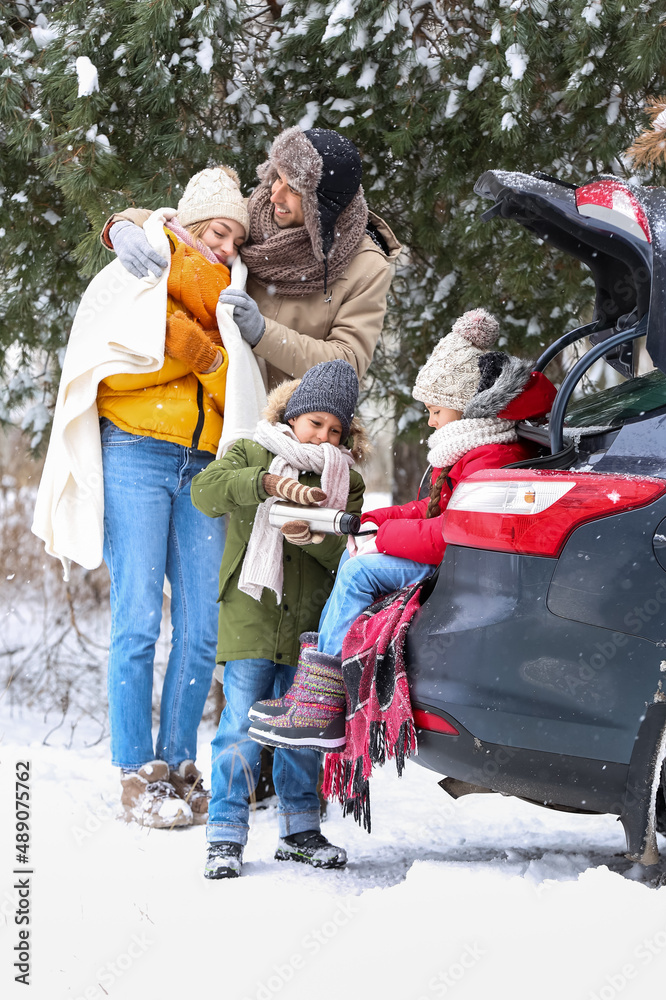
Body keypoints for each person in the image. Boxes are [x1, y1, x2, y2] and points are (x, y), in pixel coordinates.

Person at [34, 165, 257, 829]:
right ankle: (136, 772)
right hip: (135, 448)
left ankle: (176, 765)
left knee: (201, 628)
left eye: (236, 238)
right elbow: (117, 355)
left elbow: (233, 386)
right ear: (189, 222)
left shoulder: (233, 292)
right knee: (135, 617)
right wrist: (181, 345)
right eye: (218, 231)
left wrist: (212, 357)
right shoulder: (145, 262)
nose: (226, 247)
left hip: (202, 464)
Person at [246, 308, 557, 752]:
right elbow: (432, 511)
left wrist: (382, 539)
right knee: (359, 564)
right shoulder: (475, 449)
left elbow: (451, 531)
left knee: (358, 572)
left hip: (465, 569)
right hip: (455, 559)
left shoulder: (490, 457)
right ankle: (314, 694)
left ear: (466, 406)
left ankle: (323, 704)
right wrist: (379, 520)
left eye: (435, 410)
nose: (430, 421)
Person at [190, 360, 367, 878]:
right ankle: (225, 834)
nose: (325, 436)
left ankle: (299, 830)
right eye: (316, 423)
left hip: (311, 622)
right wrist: (264, 482)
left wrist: (314, 540)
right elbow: (206, 493)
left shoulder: (345, 479)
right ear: (291, 415)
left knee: (303, 727)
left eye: (336, 430)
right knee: (241, 725)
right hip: (251, 614)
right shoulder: (252, 448)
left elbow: (346, 557)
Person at [100, 127, 401, 388]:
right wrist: (125, 225)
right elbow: (185, 225)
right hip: (219, 408)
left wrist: (263, 333)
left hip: (289, 429)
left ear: (323, 206)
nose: (274, 195)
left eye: (293, 189)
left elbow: (346, 364)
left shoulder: (365, 265)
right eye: (278, 178)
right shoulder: (250, 217)